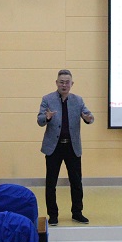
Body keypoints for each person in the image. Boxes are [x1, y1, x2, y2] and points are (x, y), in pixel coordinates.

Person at [37, 69, 94, 226]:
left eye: (67, 82)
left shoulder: (78, 100)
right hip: (53, 147)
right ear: (56, 83)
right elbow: (40, 120)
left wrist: (88, 118)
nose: (64, 85)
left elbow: (89, 116)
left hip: (72, 146)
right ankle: (53, 215)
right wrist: (47, 117)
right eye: (61, 82)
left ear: (72, 84)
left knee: (76, 182)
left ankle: (77, 212)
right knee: (51, 183)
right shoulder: (47, 99)